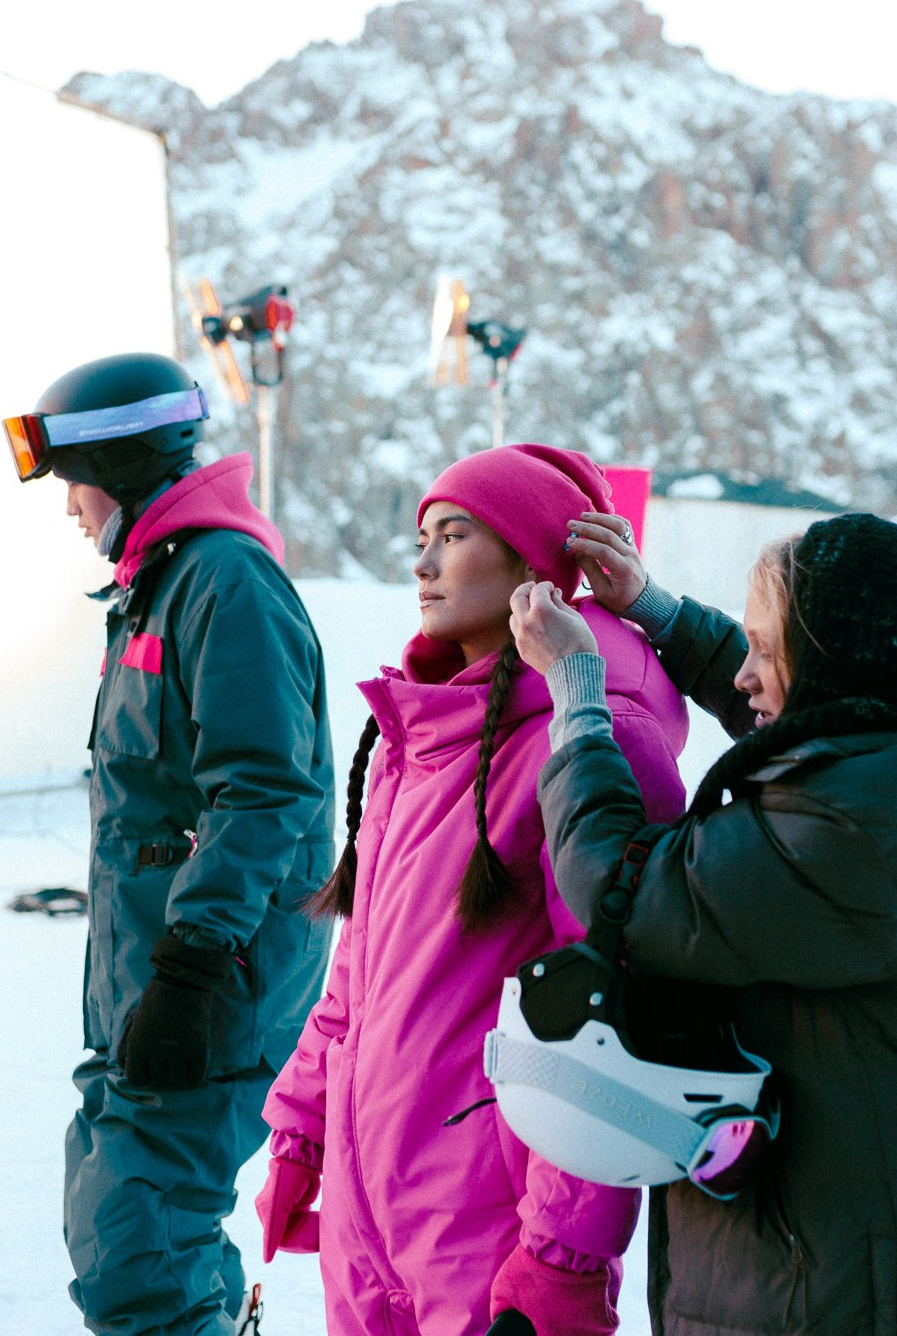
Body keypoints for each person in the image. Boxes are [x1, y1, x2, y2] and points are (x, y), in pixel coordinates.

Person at [507, 512, 897, 1334]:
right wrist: (660, 611)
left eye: (769, 647)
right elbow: (790, 715)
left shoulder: (855, 835)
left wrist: (578, 695)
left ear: (835, 667)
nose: (748, 674)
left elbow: (623, 887)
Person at [255, 446, 690, 1336]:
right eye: (421, 537)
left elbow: (609, 1017)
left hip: (492, 1222)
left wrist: (563, 1254)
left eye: (452, 536)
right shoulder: (413, 735)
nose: (421, 564)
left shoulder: (594, 740)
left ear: (535, 562)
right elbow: (359, 977)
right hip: (372, 1209)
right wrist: (303, 1123)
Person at [3, 352, 334, 1336]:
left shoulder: (224, 584)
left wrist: (190, 971)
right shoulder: (158, 586)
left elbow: (264, 790)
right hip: (147, 973)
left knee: (135, 1247)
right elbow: (164, 817)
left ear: (120, 466)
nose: (69, 510)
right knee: (119, 1209)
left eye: (74, 484)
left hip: (211, 981)